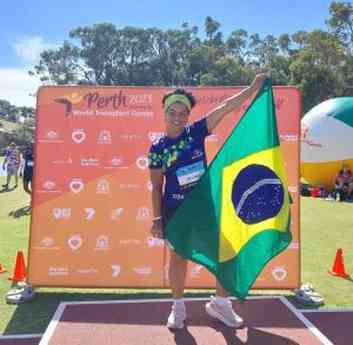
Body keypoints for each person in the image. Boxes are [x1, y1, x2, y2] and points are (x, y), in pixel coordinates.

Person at [148, 74, 267, 330]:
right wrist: (157, 218)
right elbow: (157, 186)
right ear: (164, 112)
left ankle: (220, 305)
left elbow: (226, 108)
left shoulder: (196, 132)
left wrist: (252, 88)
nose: (178, 116)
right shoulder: (157, 148)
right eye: (172, 111)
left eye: (183, 112)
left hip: (204, 208)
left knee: (226, 253)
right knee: (179, 258)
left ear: (188, 114)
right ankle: (177, 308)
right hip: (175, 211)